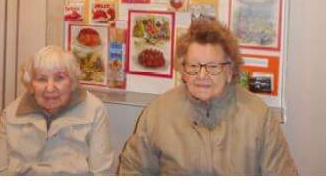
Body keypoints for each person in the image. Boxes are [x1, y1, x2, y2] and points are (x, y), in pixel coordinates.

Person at [118, 19, 297, 175]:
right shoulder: (157, 113)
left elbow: (284, 184)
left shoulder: (258, 116)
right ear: (183, 70)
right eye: (194, 66)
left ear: (229, 71)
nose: (202, 75)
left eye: (212, 67)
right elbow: (133, 173)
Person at [0, 45, 114, 175]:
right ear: (31, 84)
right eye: (41, 79)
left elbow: (101, 174)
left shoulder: (94, 110)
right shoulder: (11, 113)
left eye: (59, 78)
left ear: (72, 81)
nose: (50, 88)